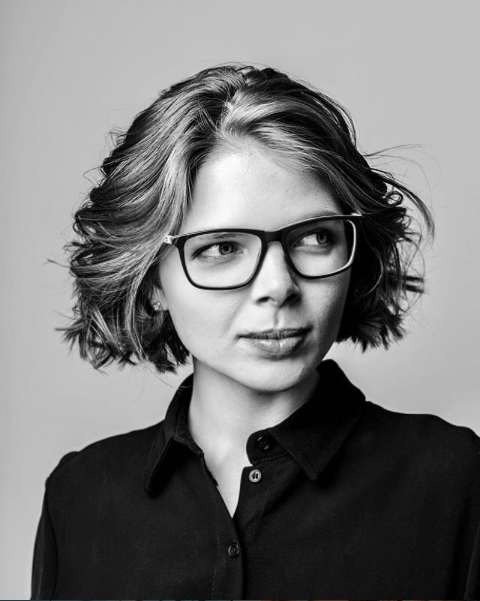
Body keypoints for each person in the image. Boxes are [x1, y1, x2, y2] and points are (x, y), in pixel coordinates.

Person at [31, 64, 480, 599]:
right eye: (222, 248)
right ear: (151, 281)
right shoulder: (79, 498)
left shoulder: (455, 480)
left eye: (315, 238)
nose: (278, 286)